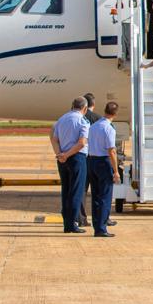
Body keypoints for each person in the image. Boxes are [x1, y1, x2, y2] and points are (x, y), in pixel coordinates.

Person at [50, 96, 89, 234]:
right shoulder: (82, 121)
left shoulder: (61, 119)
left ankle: (67, 223)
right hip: (76, 158)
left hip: (62, 159)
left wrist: (60, 154)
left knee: (65, 190)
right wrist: (67, 155)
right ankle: (72, 223)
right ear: (84, 108)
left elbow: (54, 139)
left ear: (72, 106)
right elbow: (82, 143)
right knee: (76, 191)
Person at [87, 101, 122, 238]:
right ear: (115, 114)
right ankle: (101, 228)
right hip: (103, 162)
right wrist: (116, 171)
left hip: (91, 161)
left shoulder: (94, 126)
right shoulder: (109, 128)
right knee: (105, 197)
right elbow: (111, 151)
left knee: (96, 196)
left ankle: (97, 226)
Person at [76, 93, 102, 227]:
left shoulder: (78, 118)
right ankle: (100, 219)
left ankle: (81, 218)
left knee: (81, 190)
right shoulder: (98, 119)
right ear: (93, 104)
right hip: (96, 158)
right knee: (97, 191)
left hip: (82, 156)